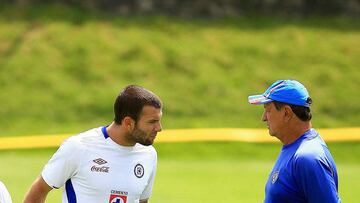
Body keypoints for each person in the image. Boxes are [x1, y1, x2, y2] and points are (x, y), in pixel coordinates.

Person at [23, 85, 163, 203]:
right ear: (128, 122)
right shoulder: (79, 147)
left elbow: (142, 201)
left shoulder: (149, 155)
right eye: (152, 122)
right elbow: (39, 190)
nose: (159, 128)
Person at [248, 79, 341, 203]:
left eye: (268, 110)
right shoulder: (294, 148)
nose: (264, 117)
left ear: (286, 113)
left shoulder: (308, 158)